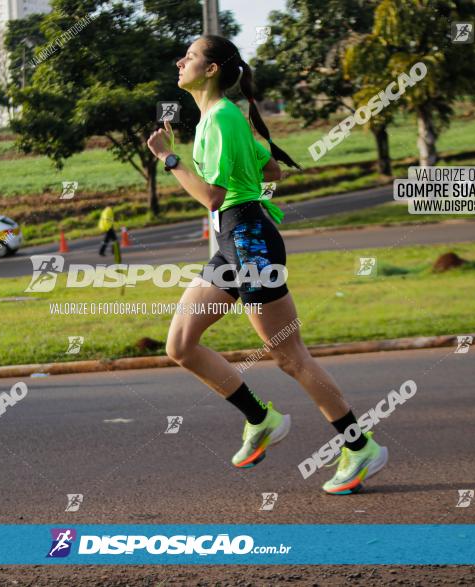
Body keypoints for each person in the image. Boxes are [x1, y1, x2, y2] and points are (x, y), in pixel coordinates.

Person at [146, 35, 389, 495]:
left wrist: (169, 158)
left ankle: (360, 448)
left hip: (249, 241)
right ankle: (262, 418)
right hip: (232, 243)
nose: (181, 61)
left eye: (191, 56)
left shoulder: (219, 119)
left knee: (289, 356)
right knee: (180, 344)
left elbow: (212, 195)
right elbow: (271, 171)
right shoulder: (221, 118)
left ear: (213, 69)